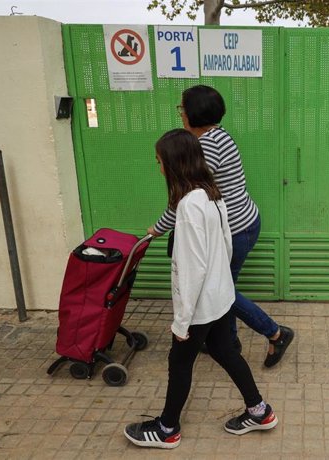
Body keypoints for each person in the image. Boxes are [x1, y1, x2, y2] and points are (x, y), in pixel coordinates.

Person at [125, 129, 278, 449]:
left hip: (201, 305)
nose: (159, 168)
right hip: (219, 296)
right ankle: (259, 411)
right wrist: (222, 286)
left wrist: (182, 322)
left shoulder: (189, 207)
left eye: (160, 162)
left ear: (174, 164)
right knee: (224, 351)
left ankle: (167, 429)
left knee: (179, 362)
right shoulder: (211, 193)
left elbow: (191, 271)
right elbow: (224, 246)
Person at [148, 85, 294, 368]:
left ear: (192, 113)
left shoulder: (207, 145)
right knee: (221, 287)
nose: (180, 114)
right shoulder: (217, 135)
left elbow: (186, 196)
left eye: (182, 109)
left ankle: (275, 333)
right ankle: (229, 342)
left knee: (221, 291)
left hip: (235, 229)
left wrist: (158, 228)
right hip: (243, 221)